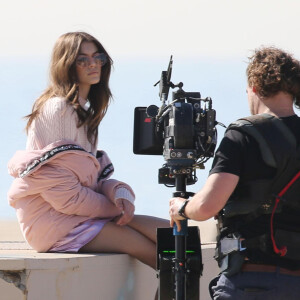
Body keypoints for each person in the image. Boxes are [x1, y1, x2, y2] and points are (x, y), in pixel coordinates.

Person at [7, 32, 168, 282]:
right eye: (82, 59)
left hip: (78, 215)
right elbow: (64, 194)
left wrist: (120, 194)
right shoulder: (58, 109)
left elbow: (89, 180)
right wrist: (113, 210)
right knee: (152, 251)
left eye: (98, 57)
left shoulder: (84, 111)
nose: (93, 64)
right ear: (66, 65)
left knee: (174, 236)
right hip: (53, 224)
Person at [169, 47, 300, 299]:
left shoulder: (243, 135)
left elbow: (207, 206)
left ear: (254, 85)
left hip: (252, 281)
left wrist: (182, 208)